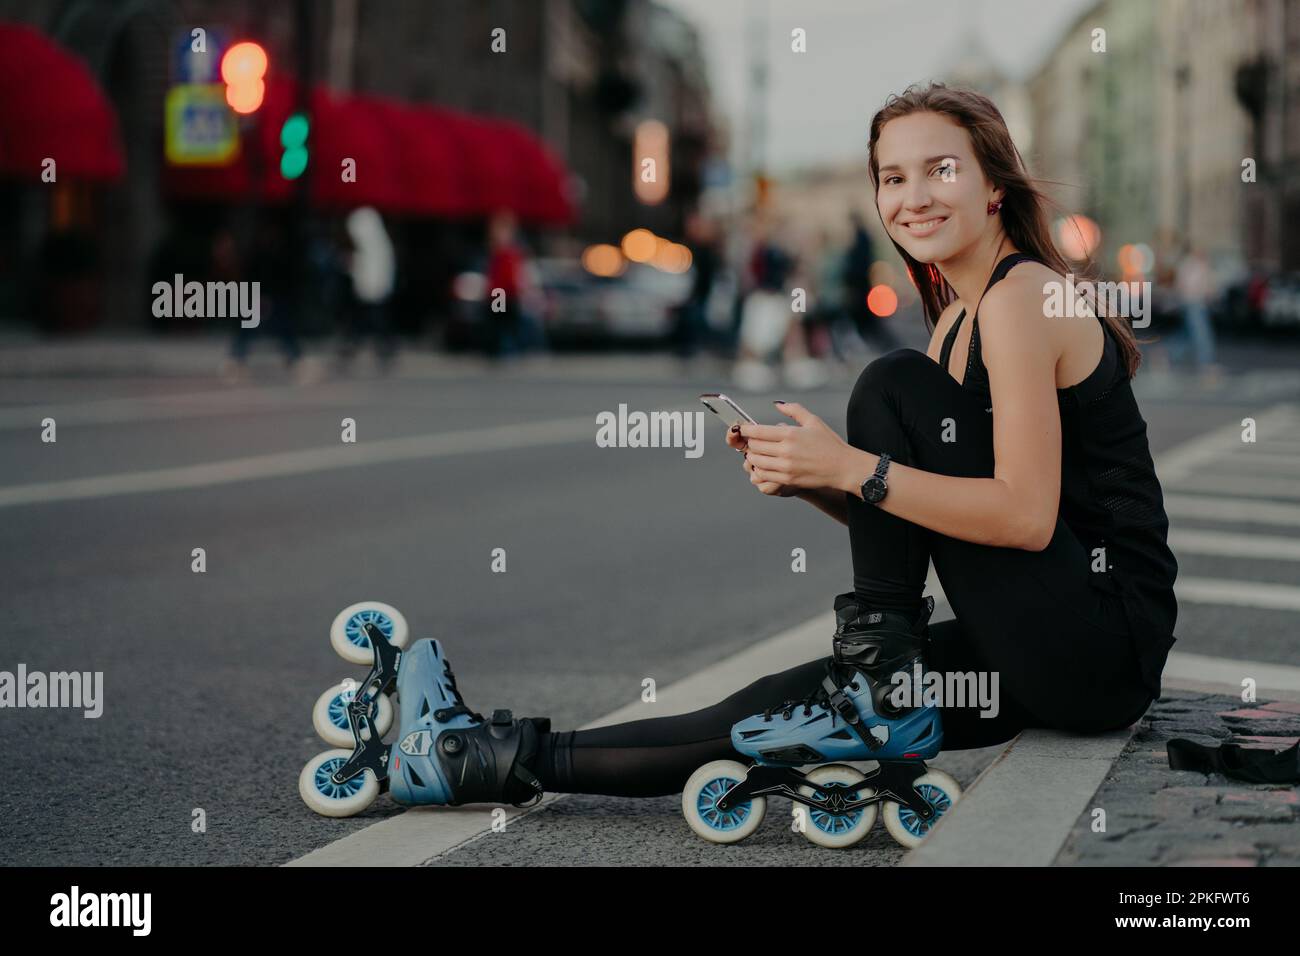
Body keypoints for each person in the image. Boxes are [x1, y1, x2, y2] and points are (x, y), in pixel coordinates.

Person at [317, 82, 1181, 815]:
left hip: (1101, 641)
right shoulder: (958, 318)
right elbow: (933, 516)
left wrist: (854, 469)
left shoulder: (1022, 298)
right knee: (757, 716)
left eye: (940, 169)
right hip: (1044, 631)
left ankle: (880, 681)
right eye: (892, 176)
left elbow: (1025, 518)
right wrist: (817, 481)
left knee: (888, 387)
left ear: (994, 186)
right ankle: (486, 757)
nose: (912, 195)